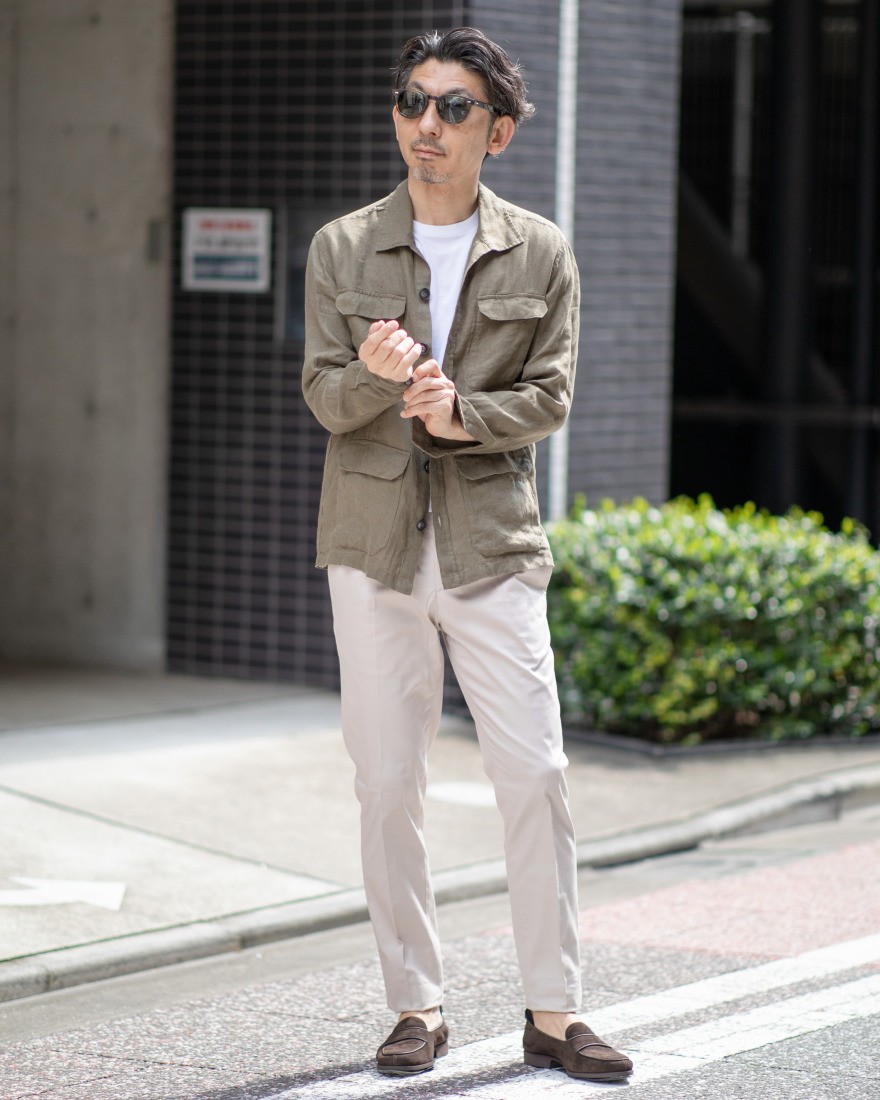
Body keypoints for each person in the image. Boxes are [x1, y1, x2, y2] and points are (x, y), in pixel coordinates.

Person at [301, 26, 633, 1084]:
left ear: (498, 130)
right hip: (372, 546)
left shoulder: (540, 249)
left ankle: (554, 1010)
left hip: (490, 541)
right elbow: (324, 396)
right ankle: (417, 1005)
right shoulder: (342, 247)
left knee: (534, 771)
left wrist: (460, 415)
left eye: (452, 107)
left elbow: (551, 396)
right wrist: (373, 372)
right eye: (412, 101)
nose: (426, 124)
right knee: (386, 780)